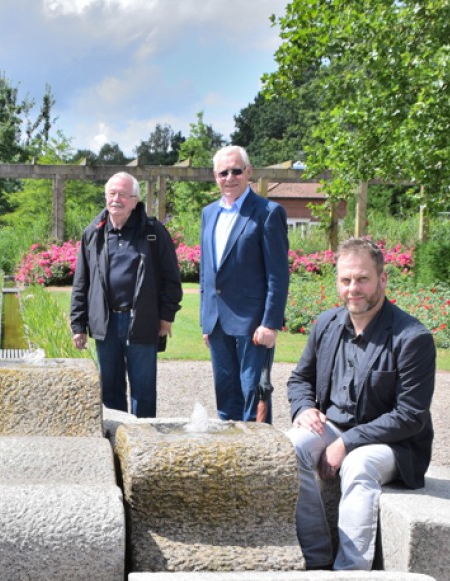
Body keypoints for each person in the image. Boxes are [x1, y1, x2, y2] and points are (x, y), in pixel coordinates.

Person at [285, 237, 436, 570]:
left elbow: (410, 415)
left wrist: (345, 443)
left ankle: (351, 574)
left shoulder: (413, 338)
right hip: (335, 426)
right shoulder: (326, 324)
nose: (353, 288)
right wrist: (304, 408)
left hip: (394, 444)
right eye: (345, 280)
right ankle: (316, 558)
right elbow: (299, 380)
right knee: (290, 446)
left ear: (382, 279)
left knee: (358, 464)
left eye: (362, 279)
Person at [70, 172, 183, 417]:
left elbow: (172, 279)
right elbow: (81, 282)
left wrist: (166, 316)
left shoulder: (153, 232)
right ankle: (114, 443)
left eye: (122, 194)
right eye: (111, 193)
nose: (116, 199)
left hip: (142, 321)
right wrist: (78, 324)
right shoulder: (93, 233)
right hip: (106, 322)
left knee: (143, 393)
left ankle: (143, 447)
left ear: (135, 200)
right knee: (110, 393)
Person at [199, 145, 290, 422]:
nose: (230, 177)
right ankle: (231, 457)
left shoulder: (268, 212)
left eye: (236, 171)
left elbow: (278, 274)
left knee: (254, 394)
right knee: (225, 397)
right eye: (223, 172)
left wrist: (271, 323)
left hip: (253, 324)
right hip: (217, 323)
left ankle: (259, 459)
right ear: (215, 176)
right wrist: (206, 320)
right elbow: (207, 272)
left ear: (248, 172)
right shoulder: (208, 213)